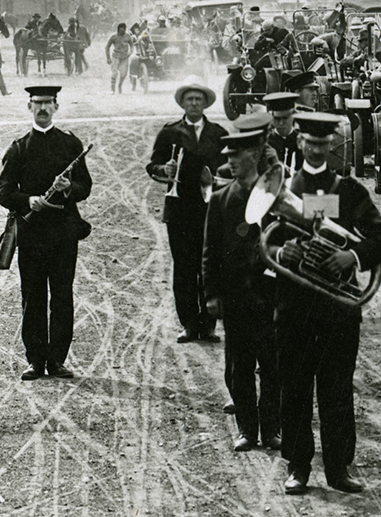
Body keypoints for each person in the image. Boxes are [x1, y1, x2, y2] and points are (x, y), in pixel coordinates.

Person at [268, 112, 381, 495]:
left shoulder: (349, 190)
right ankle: (298, 466)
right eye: (310, 143)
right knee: (295, 387)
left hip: (337, 308)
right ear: (300, 143)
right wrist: (281, 251)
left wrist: (352, 257)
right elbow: (260, 240)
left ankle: (339, 468)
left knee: (337, 388)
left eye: (323, 144)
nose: (317, 150)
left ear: (332, 146)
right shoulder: (283, 188)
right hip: (293, 306)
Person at [0, 85, 92, 380]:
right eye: (37, 103)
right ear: (29, 107)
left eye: (48, 103)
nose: (43, 109)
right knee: (33, 297)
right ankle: (36, 360)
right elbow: (3, 192)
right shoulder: (19, 148)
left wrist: (68, 189)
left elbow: (85, 187)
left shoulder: (71, 144)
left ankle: (57, 361)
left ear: (56, 107)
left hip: (64, 233)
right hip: (32, 234)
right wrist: (27, 200)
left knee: (62, 297)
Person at [201, 113, 282, 453]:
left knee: (273, 366)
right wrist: (212, 294)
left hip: (271, 295)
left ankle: (272, 430)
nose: (230, 163)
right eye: (228, 158)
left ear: (253, 155)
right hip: (235, 297)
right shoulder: (221, 199)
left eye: (236, 157)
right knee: (240, 366)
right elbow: (209, 251)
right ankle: (247, 429)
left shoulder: (277, 194)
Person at [147, 78, 225, 343]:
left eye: (198, 100)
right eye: (190, 99)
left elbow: (229, 169)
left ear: (205, 104)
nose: (194, 103)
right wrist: (163, 170)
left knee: (210, 268)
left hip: (210, 209)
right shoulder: (169, 133)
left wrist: (214, 179)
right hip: (179, 209)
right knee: (184, 268)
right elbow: (152, 165)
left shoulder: (219, 133)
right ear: (182, 103)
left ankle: (209, 324)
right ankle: (189, 324)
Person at [105, 24, 132, 94]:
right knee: (114, 73)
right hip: (116, 57)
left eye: (124, 29)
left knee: (124, 74)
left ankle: (120, 85)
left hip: (124, 57)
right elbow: (107, 46)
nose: (122, 31)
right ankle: (112, 89)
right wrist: (108, 58)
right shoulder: (113, 36)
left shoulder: (127, 36)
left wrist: (130, 52)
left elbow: (132, 44)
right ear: (118, 29)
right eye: (121, 30)